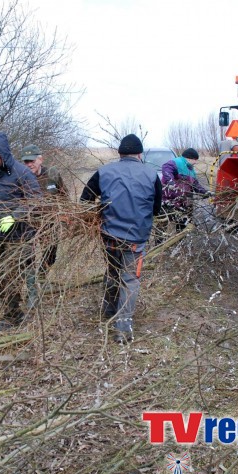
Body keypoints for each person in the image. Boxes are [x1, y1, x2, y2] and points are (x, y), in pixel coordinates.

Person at [79, 134, 162, 344]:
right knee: (130, 280)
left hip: (109, 237)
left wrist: (99, 212)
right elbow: (156, 209)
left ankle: (108, 310)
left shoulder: (104, 171)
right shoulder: (152, 175)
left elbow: (85, 199)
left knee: (112, 271)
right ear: (139, 154)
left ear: (120, 153)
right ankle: (123, 329)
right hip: (135, 239)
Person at [0, 131, 42, 331]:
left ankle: (12, 316)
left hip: (21, 237)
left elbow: (36, 200)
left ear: (3, 153)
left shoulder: (22, 173)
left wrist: (14, 216)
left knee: (10, 275)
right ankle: (12, 311)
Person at [20, 144, 68, 308]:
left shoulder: (52, 174)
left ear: (40, 159)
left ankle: (41, 277)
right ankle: (32, 291)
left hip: (49, 224)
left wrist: (64, 217)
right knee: (27, 257)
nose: (29, 165)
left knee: (50, 254)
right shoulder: (21, 178)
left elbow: (64, 197)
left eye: (32, 161)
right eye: (26, 162)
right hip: (28, 225)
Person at [160, 148, 211, 231]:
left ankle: (179, 241)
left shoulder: (190, 169)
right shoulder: (177, 162)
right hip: (169, 201)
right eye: (195, 160)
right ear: (189, 158)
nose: (195, 162)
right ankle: (161, 242)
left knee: (182, 226)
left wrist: (204, 192)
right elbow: (166, 168)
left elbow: (195, 184)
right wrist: (171, 183)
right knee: (163, 225)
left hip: (183, 203)